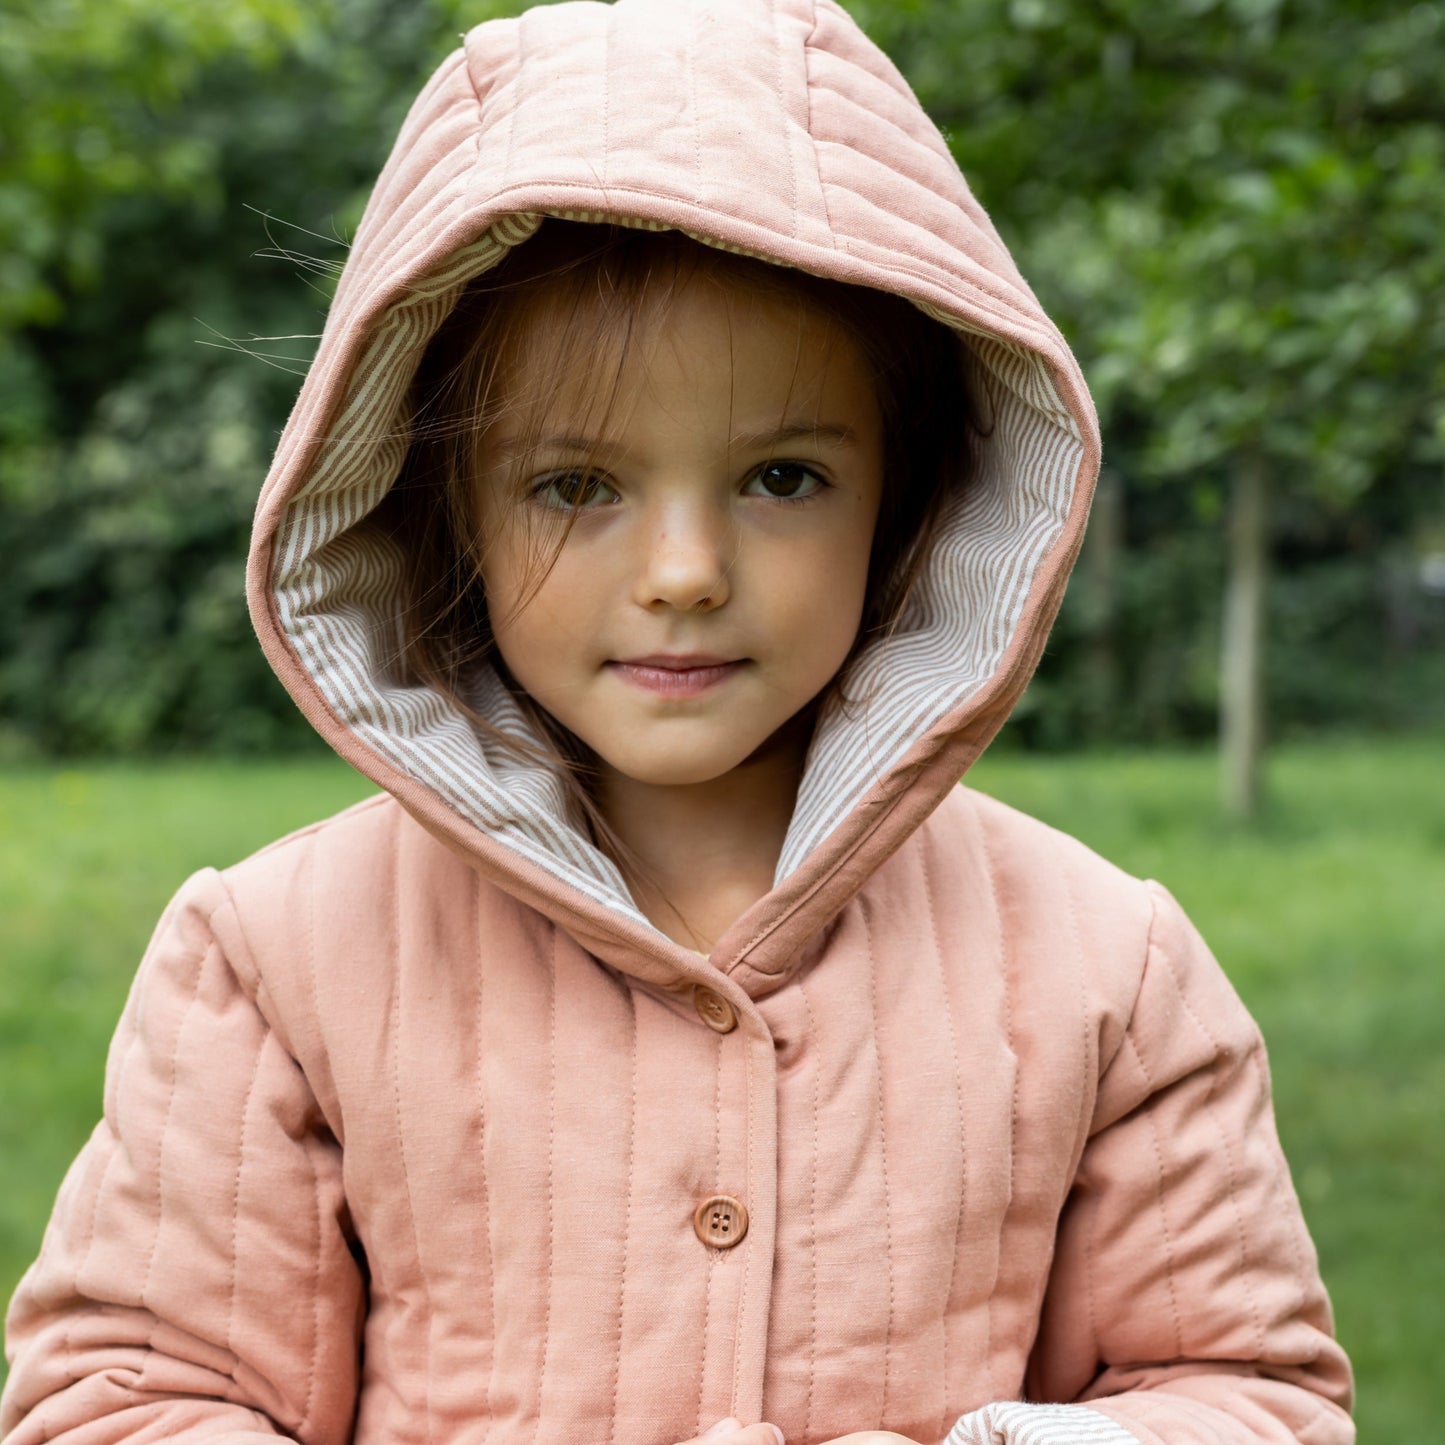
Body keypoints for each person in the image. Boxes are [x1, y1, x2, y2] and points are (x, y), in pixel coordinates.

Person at [1, 2, 1354, 1443]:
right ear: (434, 505)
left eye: (780, 477)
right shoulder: (273, 960)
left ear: (910, 494)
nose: (685, 574)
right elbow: (125, 1398)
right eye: (575, 485)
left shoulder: (1104, 969)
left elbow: (1252, 1393)